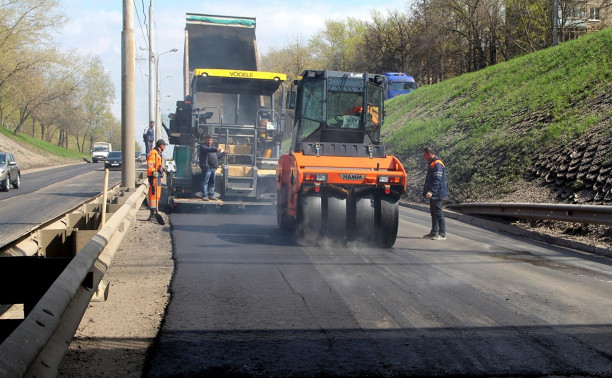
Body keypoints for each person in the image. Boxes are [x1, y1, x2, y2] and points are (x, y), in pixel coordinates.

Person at [422, 146, 447, 240]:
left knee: (438, 212)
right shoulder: (432, 163)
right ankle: (434, 232)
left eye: (425, 155)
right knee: (433, 213)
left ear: (429, 154)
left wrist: (431, 191)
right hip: (433, 192)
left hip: (437, 192)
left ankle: (442, 233)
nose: (424, 157)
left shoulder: (437, 163)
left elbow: (437, 179)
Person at [199, 135, 225, 201]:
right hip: (207, 168)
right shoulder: (203, 147)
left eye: (210, 140)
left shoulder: (213, 148)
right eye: (208, 140)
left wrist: (223, 153)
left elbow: (217, 156)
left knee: (212, 183)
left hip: (213, 168)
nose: (209, 142)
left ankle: (211, 195)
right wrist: (216, 149)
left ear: (212, 141)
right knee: (205, 183)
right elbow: (209, 149)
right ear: (205, 140)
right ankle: (204, 196)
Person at [147, 139, 166, 222]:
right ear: (160, 145)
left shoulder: (159, 154)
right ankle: (153, 213)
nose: (165, 147)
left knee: (157, 195)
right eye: (164, 145)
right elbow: (150, 164)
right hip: (154, 177)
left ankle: (155, 212)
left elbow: (158, 165)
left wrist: (162, 171)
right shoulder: (153, 153)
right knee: (153, 194)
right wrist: (153, 172)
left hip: (158, 177)